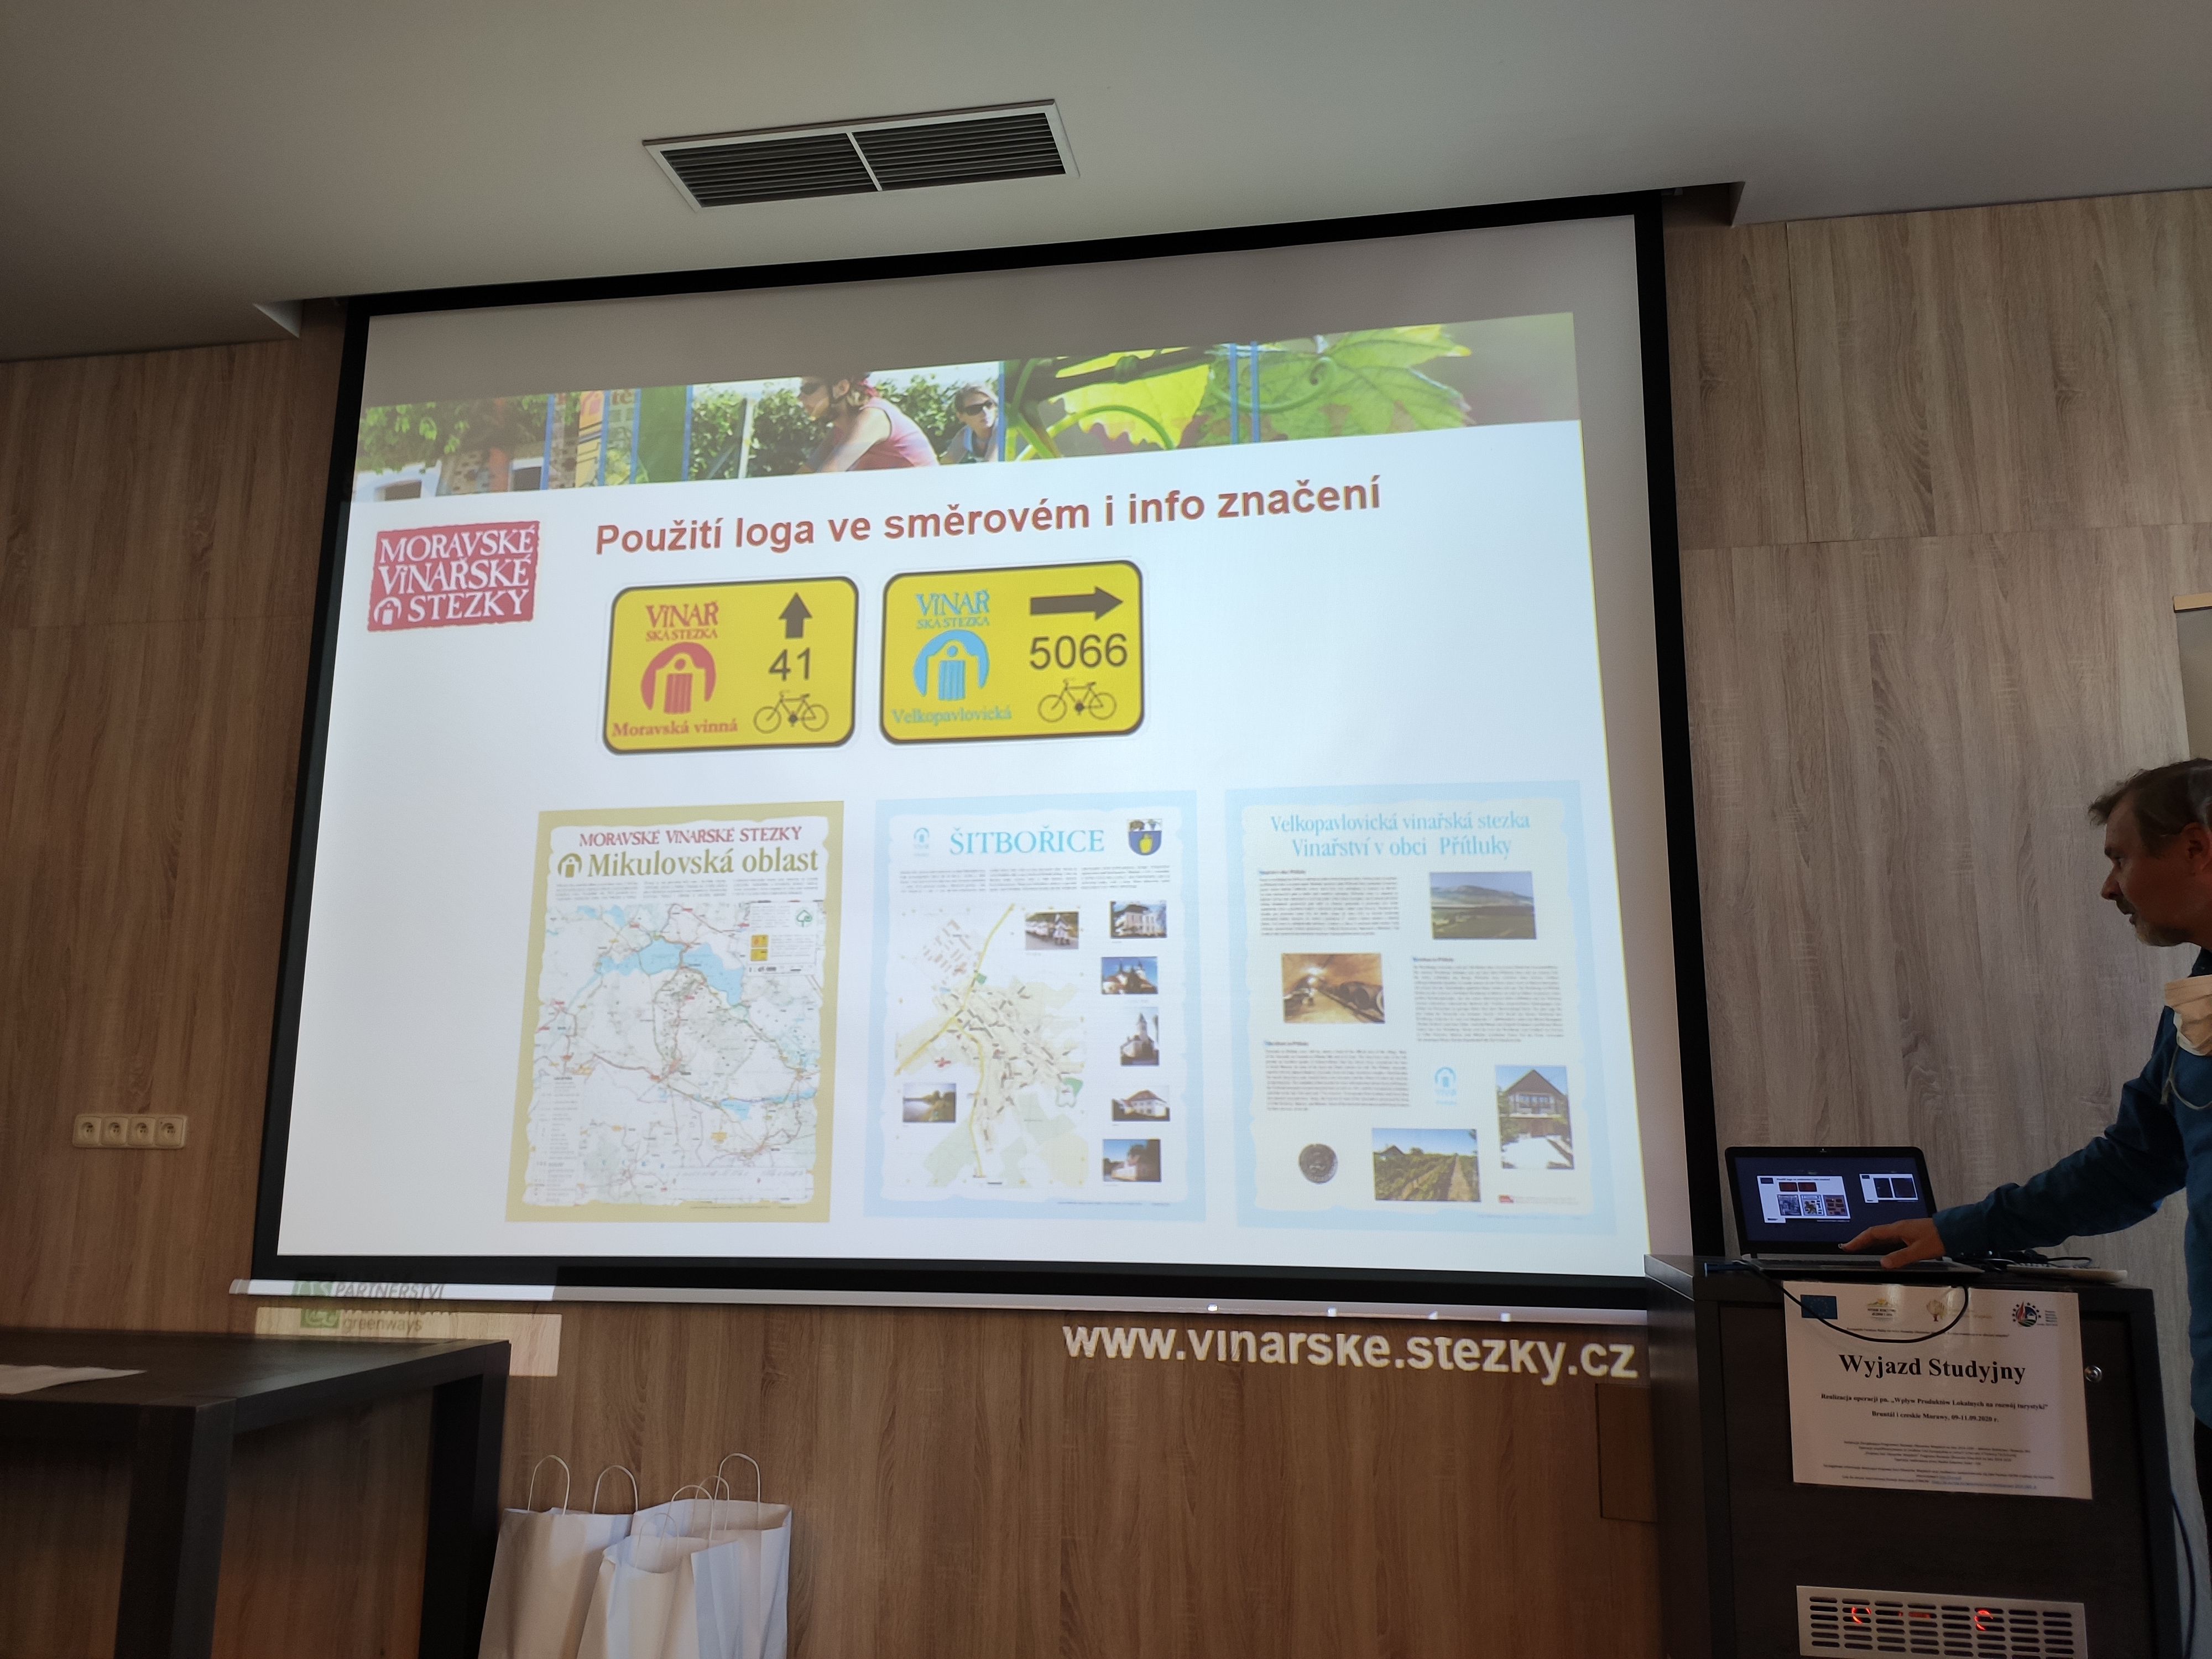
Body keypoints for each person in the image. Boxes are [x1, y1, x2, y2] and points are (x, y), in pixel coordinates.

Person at [1843, 758, 2212, 1513]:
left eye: (2120, 859)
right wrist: (1961, 1230)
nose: (2109, 887)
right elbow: (2131, 1165)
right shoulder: (2197, 1004)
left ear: (2195, 849)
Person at [797, 372, 937, 472]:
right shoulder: (840, 430)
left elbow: (824, 478)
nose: (800, 397)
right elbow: (805, 475)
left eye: (808, 389)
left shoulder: (873, 418)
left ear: (842, 388)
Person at [939, 382, 1001, 465]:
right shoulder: (965, 435)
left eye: (989, 404)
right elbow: (944, 467)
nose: (985, 412)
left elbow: (990, 466)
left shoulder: (1000, 429)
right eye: (974, 409)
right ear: (961, 416)